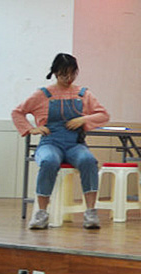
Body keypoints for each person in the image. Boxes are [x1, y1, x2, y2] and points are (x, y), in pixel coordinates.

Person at [12, 53, 110, 230]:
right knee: (49, 161)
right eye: (65, 74)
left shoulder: (83, 94)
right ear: (56, 72)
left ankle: (90, 212)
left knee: (88, 161)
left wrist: (83, 119)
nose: (69, 78)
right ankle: (41, 213)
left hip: (75, 144)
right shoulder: (43, 94)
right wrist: (31, 129)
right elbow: (18, 112)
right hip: (50, 143)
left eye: (73, 73)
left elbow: (103, 115)